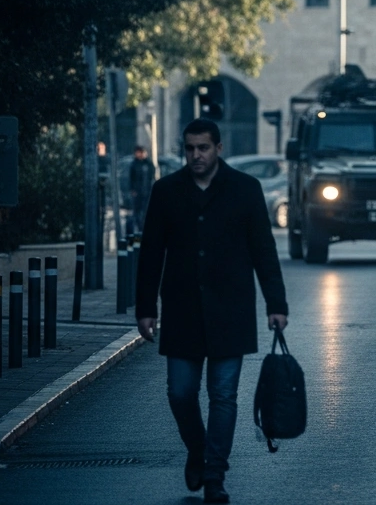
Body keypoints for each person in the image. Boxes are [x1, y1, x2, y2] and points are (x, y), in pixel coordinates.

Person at [136, 119, 288, 504]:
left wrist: (276, 304)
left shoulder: (245, 190)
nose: (195, 156)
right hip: (182, 310)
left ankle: (215, 474)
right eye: (189, 148)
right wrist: (145, 308)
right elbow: (151, 252)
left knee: (223, 396)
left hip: (230, 311)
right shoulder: (167, 191)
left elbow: (263, 251)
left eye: (203, 148)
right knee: (180, 393)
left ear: (218, 148)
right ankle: (197, 449)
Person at [129, 145, 156, 235]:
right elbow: (131, 178)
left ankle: (144, 230)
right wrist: (132, 190)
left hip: (147, 191)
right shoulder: (134, 164)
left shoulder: (148, 163)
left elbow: (152, 176)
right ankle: (139, 230)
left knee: (146, 212)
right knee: (137, 212)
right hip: (138, 192)